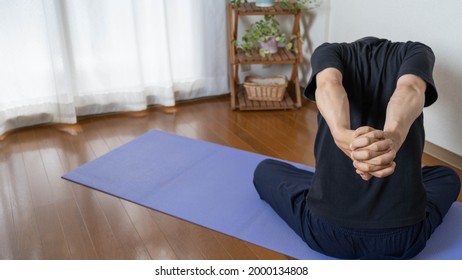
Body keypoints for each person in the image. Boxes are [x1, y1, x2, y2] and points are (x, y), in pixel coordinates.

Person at [253, 37, 461, 259]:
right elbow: (410, 88)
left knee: (264, 169)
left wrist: (346, 133)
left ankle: (318, 186)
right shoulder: (417, 51)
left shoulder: (328, 51)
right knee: (448, 176)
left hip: (326, 234)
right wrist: (389, 138)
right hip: (404, 239)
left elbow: (328, 84)